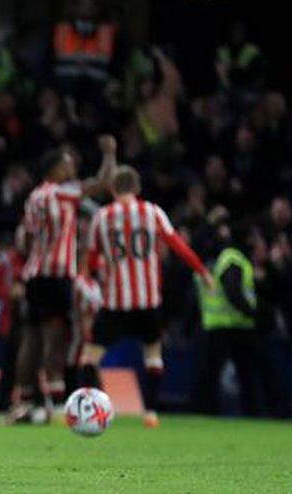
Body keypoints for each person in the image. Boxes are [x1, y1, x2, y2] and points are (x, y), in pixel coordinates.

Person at [79, 166, 212, 427]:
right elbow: (178, 245)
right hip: (147, 299)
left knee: (90, 357)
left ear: (113, 189)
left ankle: (87, 412)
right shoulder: (152, 212)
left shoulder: (102, 217)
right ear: (137, 187)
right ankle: (150, 413)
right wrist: (202, 271)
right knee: (152, 355)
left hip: (114, 300)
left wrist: (94, 276)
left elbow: (91, 260)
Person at [4, 137, 117, 424]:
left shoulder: (34, 197)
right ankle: (55, 404)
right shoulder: (63, 193)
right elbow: (103, 183)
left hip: (34, 275)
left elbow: (26, 239)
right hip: (56, 276)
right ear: (55, 169)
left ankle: (23, 400)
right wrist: (109, 154)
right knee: (56, 340)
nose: (72, 168)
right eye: (67, 165)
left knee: (31, 339)